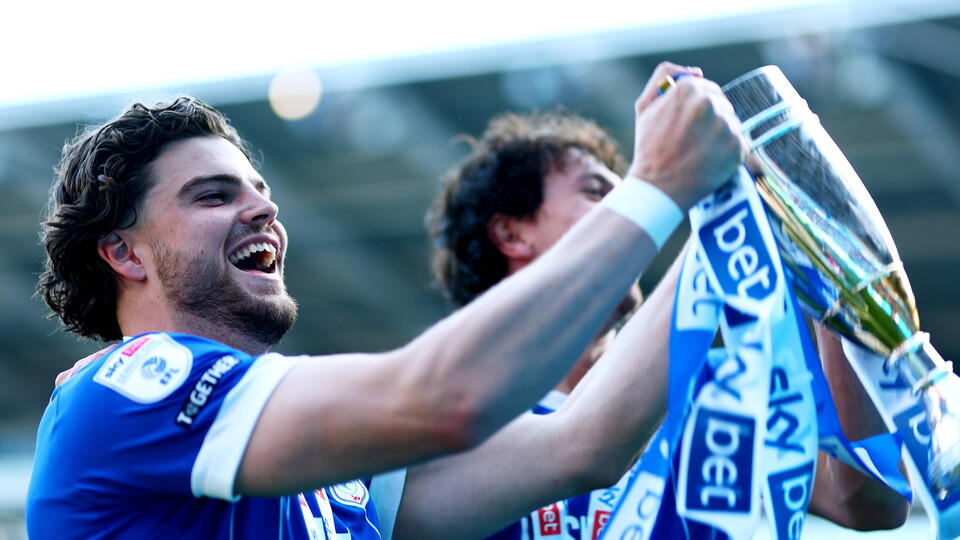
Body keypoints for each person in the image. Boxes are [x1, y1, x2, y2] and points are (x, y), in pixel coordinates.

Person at [28, 62, 745, 539]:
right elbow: (448, 397)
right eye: (214, 195)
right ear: (123, 253)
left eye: (262, 194)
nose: (262, 213)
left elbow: (582, 445)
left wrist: (724, 220)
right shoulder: (123, 393)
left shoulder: (327, 472)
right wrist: (658, 186)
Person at [390, 109, 911, 539]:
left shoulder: (713, 389)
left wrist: (828, 296)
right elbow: (584, 447)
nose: (636, 217)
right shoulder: (446, 413)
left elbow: (870, 504)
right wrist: (727, 220)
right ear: (512, 233)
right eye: (599, 192)